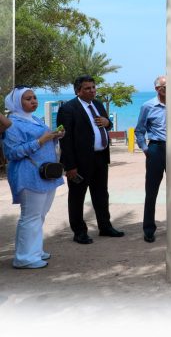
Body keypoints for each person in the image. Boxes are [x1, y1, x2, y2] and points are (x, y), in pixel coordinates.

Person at [58, 75, 124, 244]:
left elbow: (106, 125)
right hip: (79, 162)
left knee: (101, 194)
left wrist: (107, 122)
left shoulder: (98, 104)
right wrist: (70, 166)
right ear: (78, 91)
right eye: (87, 88)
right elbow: (65, 140)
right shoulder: (68, 109)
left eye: (93, 87)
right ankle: (79, 232)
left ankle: (105, 226)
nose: (92, 91)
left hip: (100, 158)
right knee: (77, 196)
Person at [3, 87, 65, 268]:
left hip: (46, 174)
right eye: (28, 98)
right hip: (28, 175)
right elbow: (12, 152)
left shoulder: (35, 119)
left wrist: (55, 136)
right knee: (30, 217)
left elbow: (44, 140)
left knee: (40, 215)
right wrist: (41, 140)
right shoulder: (12, 124)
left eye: (34, 97)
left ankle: (34, 250)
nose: (33, 101)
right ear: (17, 102)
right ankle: (24, 258)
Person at [134, 75, 171, 243]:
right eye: (166, 87)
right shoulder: (147, 106)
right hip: (156, 148)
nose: (169, 89)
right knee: (151, 190)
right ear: (157, 89)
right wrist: (145, 149)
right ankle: (148, 229)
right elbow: (139, 130)